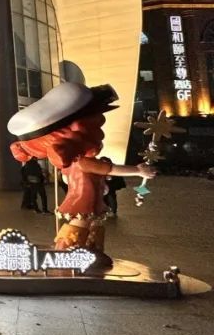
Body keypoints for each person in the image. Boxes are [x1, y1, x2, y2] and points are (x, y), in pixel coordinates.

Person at [9, 82, 155, 264]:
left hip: (90, 201)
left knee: (93, 228)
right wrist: (138, 171)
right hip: (83, 203)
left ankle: (91, 254)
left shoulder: (75, 160)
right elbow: (112, 169)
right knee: (79, 228)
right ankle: (64, 256)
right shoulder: (82, 161)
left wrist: (98, 180)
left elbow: (71, 177)